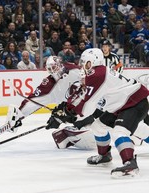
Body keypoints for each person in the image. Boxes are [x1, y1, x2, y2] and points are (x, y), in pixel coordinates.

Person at [46, 48, 149, 177]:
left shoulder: (97, 74)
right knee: (98, 127)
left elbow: (88, 105)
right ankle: (104, 155)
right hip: (120, 104)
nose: (83, 65)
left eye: (86, 62)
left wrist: (67, 115)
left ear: (94, 61)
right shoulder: (95, 73)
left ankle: (130, 164)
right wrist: (65, 110)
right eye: (82, 61)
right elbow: (83, 96)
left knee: (120, 132)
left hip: (134, 102)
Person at [7, 55, 80, 132]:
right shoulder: (49, 84)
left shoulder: (73, 69)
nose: (52, 71)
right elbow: (34, 100)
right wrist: (20, 115)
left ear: (59, 65)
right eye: (49, 69)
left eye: (53, 67)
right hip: (71, 111)